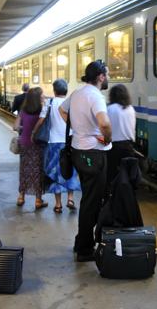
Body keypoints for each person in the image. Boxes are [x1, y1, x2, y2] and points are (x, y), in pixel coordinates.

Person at [60, 60, 112, 262]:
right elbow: (105, 123)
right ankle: (84, 249)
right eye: (107, 74)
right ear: (100, 76)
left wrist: (79, 128)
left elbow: (61, 111)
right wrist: (106, 137)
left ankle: (80, 240)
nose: (108, 78)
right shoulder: (95, 96)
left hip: (77, 151)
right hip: (93, 154)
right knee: (92, 201)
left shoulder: (77, 93)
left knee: (88, 198)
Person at [32, 79, 80, 213]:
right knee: (70, 169)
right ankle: (70, 199)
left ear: (54, 90)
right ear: (66, 90)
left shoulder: (50, 102)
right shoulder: (71, 102)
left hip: (53, 143)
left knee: (55, 172)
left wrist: (34, 132)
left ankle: (58, 204)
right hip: (70, 141)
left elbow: (41, 120)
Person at [14, 87, 47, 209]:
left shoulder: (23, 110)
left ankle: (21, 197)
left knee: (24, 170)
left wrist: (24, 128)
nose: (44, 96)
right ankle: (38, 200)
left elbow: (15, 126)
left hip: (25, 144)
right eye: (42, 95)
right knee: (38, 171)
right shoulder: (42, 111)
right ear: (38, 97)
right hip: (38, 144)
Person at [106, 84, 136, 183]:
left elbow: (105, 127)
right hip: (129, 147)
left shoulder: (110, 109)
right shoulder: (130, 109)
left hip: (113, 147)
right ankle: (126, 197)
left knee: (112, 176)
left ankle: (113, 197)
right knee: (127, 178)